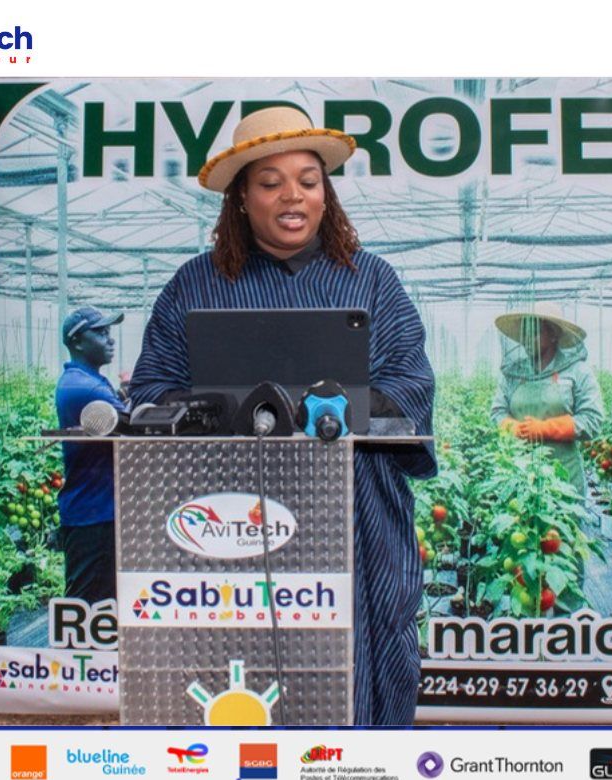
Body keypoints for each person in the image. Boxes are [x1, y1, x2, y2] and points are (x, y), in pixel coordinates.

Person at [129, 107, 436, 725]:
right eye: (270, 183)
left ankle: (360, 761)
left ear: (327, 194)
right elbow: (152, 388)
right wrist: (224, 411)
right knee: (235, 664)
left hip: (356, 512)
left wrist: (343, 405)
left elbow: (412, 383)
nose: (292, 195)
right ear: (241, 199)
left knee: (363, 652)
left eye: (308, 180)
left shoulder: (372, 281)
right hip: (227, 515)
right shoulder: (195, 285)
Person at [491, 302, 603, 499]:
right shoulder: (513, 373)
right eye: (524, 333)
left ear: (553, 334)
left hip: (564, 476)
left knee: (563, 517)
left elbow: (592, 420)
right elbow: (497, 412)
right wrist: (513, 428)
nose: (527, 339)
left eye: (534, 332)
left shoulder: (578, 371)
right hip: (519, 473)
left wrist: (545, 429)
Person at [56, 306, 126, 605]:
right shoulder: (83, 387)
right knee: (85, 605)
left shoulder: (86, 380)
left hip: (97, 510)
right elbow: (134, 424)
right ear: (77, 342)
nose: (110, 339)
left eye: (109, 332)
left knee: (103, 601)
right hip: (93, 516)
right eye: (100, 333)